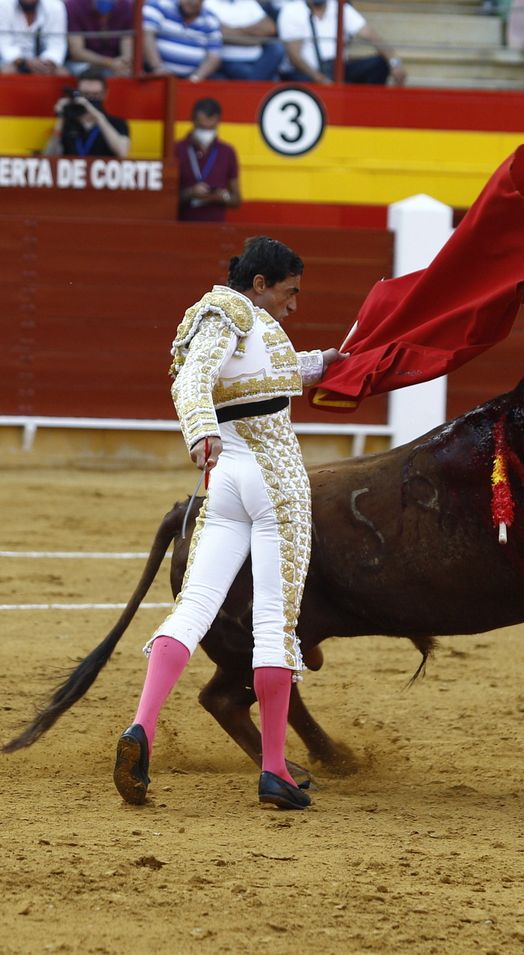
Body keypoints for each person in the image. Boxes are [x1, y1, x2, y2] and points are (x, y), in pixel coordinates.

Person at [113, 236, 345, 811]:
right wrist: (199, 431)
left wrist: (329, 362)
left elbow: (270, 375)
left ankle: (142, 726)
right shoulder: (233, 312)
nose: (294, 305)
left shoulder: (237, 322)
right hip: (275, 482)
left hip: (229, 480)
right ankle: (273, 770)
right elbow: (192, 381)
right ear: (260, 283)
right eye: (289, 292)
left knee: (193, 606)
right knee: (274, 622)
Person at [277, 0, 404, 84]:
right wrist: (320, 80)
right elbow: (294, 56)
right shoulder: (292, 10)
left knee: (379, 64)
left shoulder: (340, 7)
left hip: (338, 70)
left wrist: (395, 62)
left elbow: (371, 35)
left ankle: (367, 105)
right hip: (306, 74)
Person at [205, 0, 283, 80]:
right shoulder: (207, 3)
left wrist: (234, 33)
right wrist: (254, 35)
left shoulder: (248, 2)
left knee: (276, 48)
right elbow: (219, 33)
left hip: (258, 60)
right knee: (260, 78)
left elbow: (270, 29)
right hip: (226, 61)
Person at [142, 0, 222, 80]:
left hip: (190, 81)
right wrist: (157, 67)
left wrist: (196, 78)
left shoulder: (210, 20)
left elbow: (214, 56)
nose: (194, 1)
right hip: (155, 75)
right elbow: (146, 34)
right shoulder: (160, 1)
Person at [175, 97, 239, 221]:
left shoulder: (227, 152)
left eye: (210, 128)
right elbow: (164, 199)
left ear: (218, 122)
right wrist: (190, 193)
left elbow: (236, 199)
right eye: (202, 128)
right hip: (184, 226)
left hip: (216, 227)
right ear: (193, 121)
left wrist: (222, 197)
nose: (206, 132)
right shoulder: (177, 150)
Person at [42, 65, 130, 155]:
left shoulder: (117, 123)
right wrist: (61, 118)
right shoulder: (68, 123)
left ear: (105, 94)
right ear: (78, 94)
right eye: (86, 94)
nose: (90, 99)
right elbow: (49, 157)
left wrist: (99, 118)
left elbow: (122, 152)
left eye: (96, 95)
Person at [64, 0, 132, 74]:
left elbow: (128, 47)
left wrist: (123, 63)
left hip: (116, 66)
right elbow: (76, 52)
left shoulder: (128, 7)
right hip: (84, 64)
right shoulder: (74, 4)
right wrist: (110, 63)